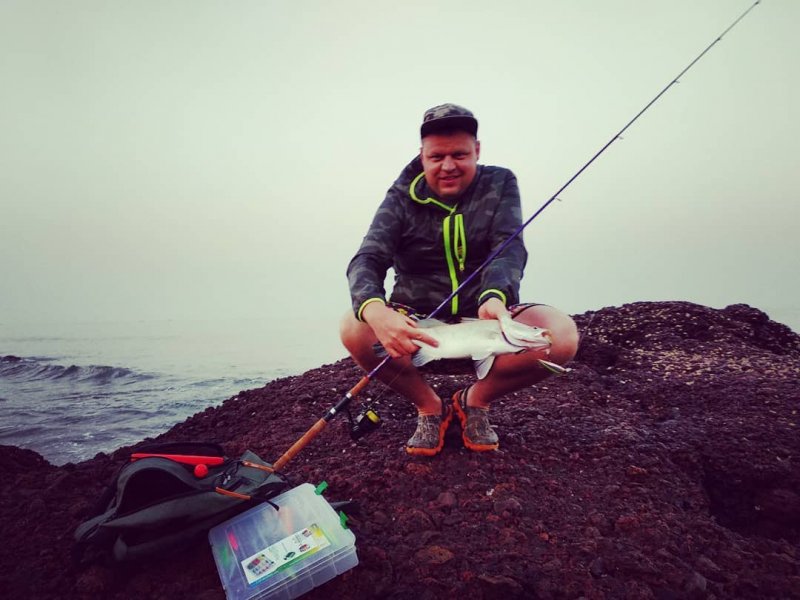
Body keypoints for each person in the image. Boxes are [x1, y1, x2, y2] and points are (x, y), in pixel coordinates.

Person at [340, 103, 578, 456]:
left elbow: (508, 248)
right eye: (437, 157)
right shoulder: (401, 198)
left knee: (560, 337)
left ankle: (473, 401)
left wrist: (495, 296)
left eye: (459, 155)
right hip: (419, 320)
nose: (448, 166)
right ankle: (429, 407)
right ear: (422, 156)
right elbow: (368, 257)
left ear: (477, 150)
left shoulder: (500, 183)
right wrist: (375, 310)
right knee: (354, 327)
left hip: (487, 315)